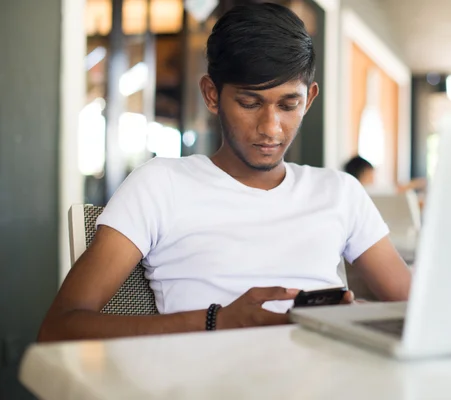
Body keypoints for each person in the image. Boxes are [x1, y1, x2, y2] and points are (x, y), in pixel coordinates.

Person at [38, 3, 411, 342]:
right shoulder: (161, 185)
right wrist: (215, 320)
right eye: (250, 103)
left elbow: (415, 308)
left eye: (288, 104)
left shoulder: (339, 192)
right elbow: (60, 327)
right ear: (212, 95)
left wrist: (362, 318)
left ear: (309, 99)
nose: (271, 127)